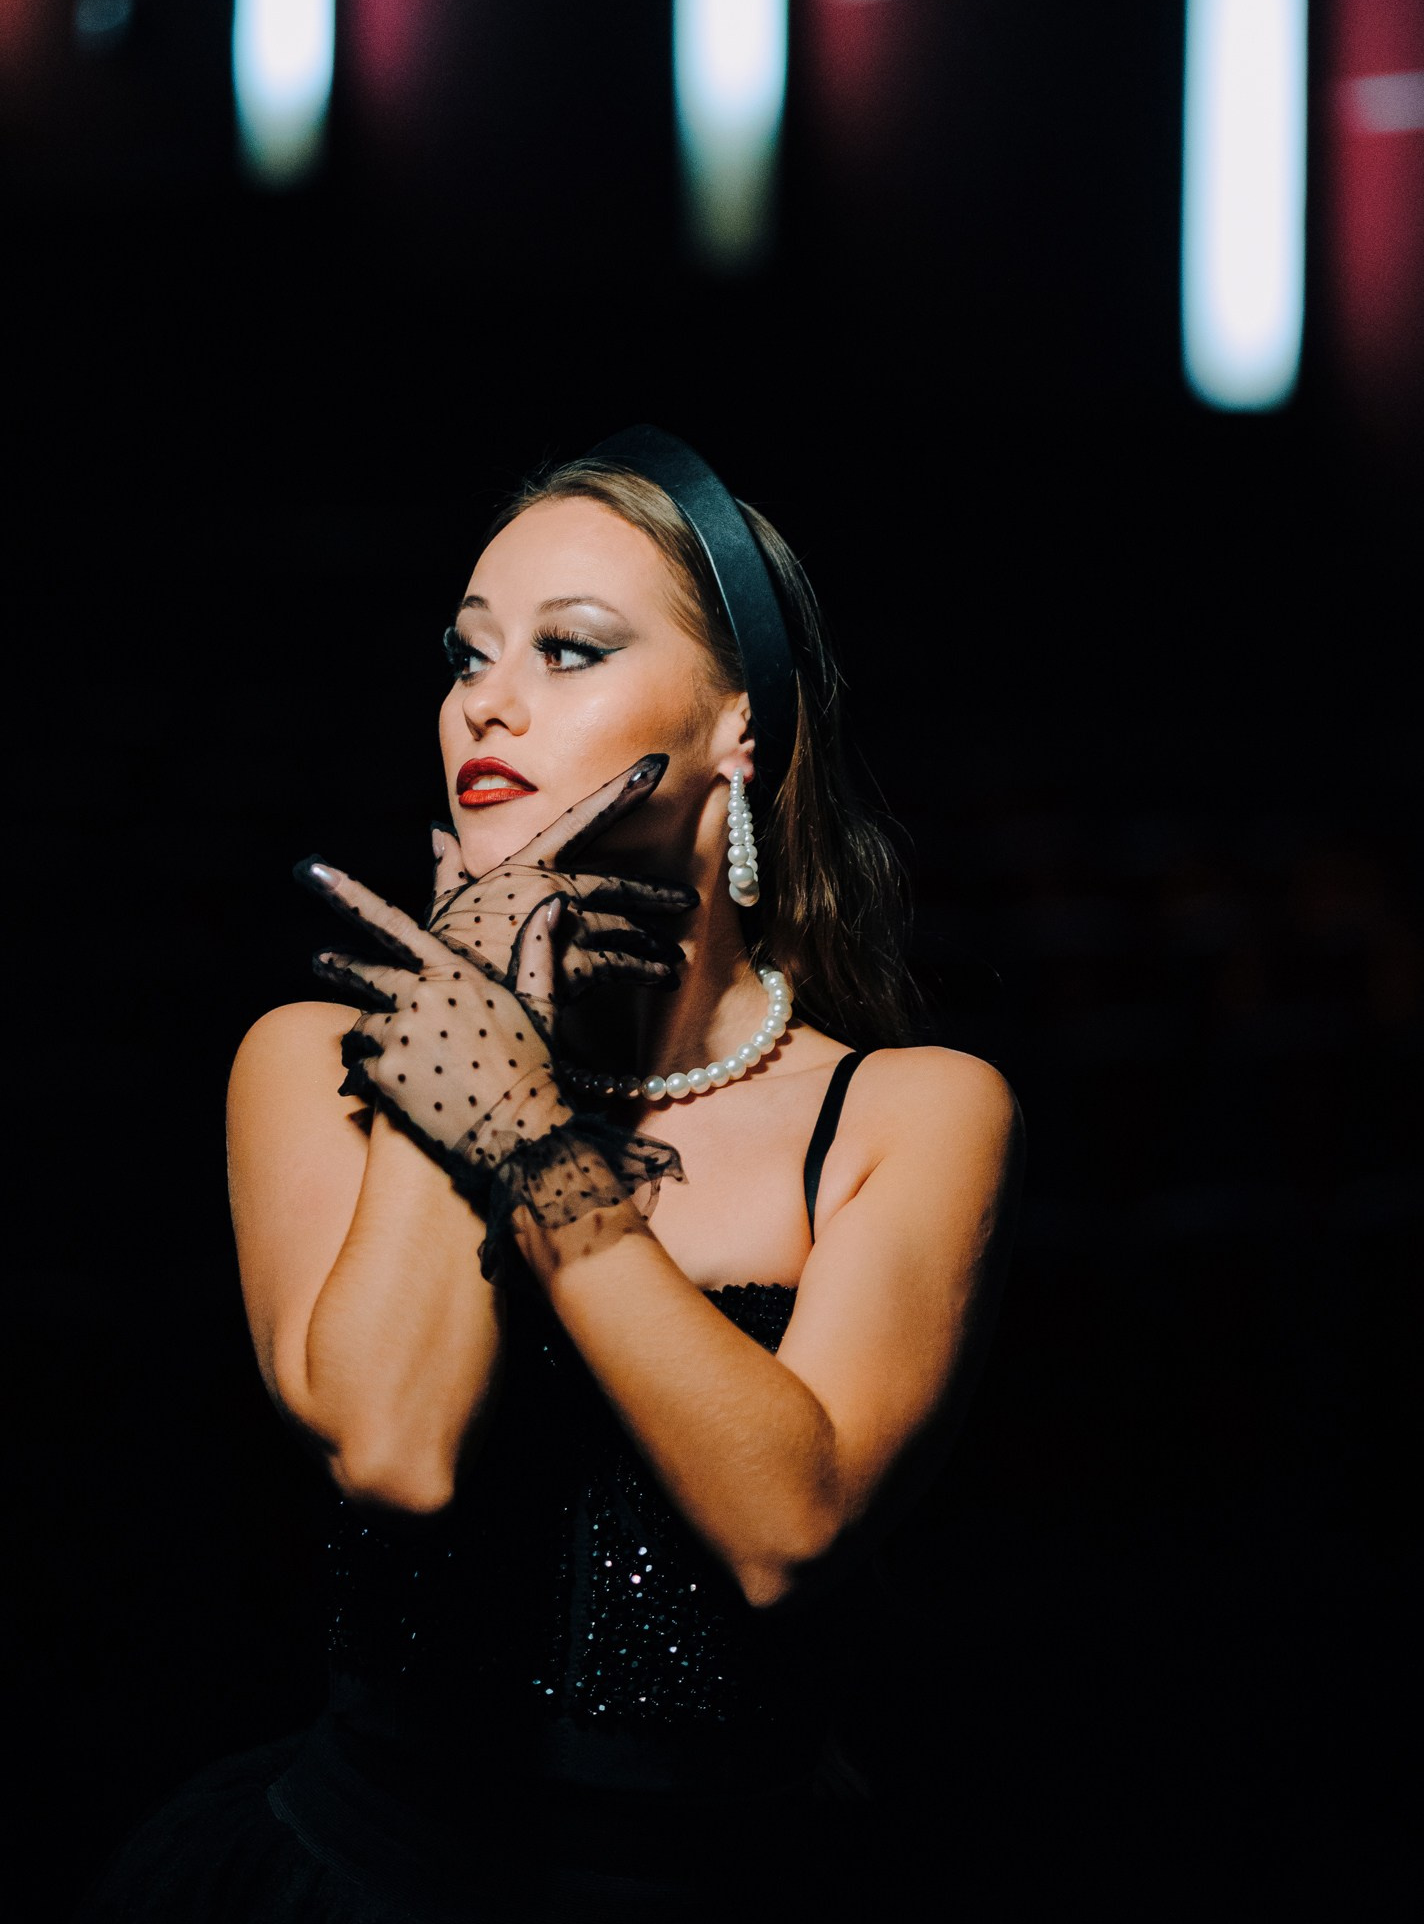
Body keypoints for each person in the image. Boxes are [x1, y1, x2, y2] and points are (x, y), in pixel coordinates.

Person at [83, 428, 1022, 1921]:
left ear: (739, 729)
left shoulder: (910, 1110)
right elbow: (398, 1451)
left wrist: (531, 1137)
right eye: (468, 656)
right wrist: (464, 1021)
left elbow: (787, 1527)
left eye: (569, 650)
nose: (488, 701)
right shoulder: (310, 1060)